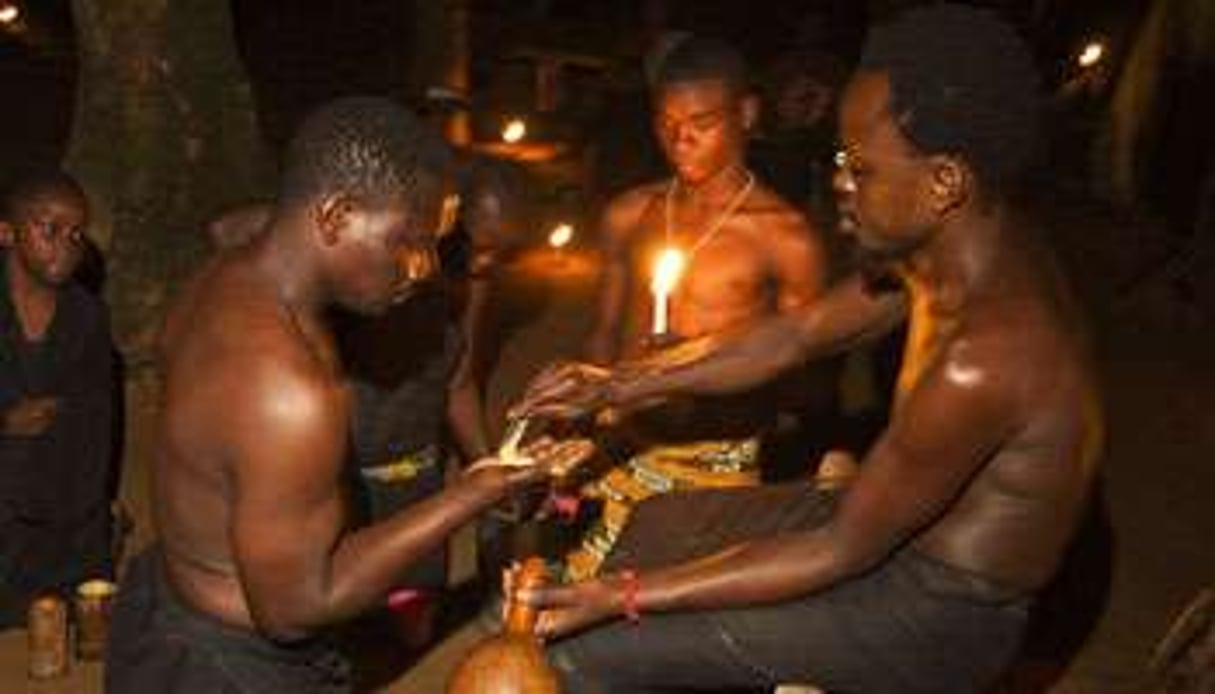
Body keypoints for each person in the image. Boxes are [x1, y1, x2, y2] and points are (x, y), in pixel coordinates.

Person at [513, 6, 1105, 692]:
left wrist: (623, 597)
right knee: (654, 522)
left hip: (932, 610)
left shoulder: (991, 349)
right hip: (888, 529)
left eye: (861, 166)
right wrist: (616, 386)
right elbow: (792, 336)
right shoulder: (953, 245)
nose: (839, 182)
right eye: (837, 157)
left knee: (586, 653)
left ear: (943, 182)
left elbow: (840, 547)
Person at [104, 97, 590, 693]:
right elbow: (294, 607)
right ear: (334, 216)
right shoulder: (287, 391)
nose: (422, 268)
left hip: (168, 612)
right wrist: (472, 493)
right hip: (230, 668)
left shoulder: (226, 273)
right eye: (409, 241)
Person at [563, 35, 830, 581]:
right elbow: (602, 336)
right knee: (573, 602)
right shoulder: (629, 214)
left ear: (747, 115)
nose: (680, 139)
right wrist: (579, 431)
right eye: (665, 122)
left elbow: (809, 378)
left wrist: (704, 364)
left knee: (675, 619)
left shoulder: (785, 238)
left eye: (702, 122)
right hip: (626, 440)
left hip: (718, 459)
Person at [0, 171, 117, 627]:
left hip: (64, 516)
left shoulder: (87, 317)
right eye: (48, 229)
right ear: (6, 232)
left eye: (76, 234)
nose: (65, 244)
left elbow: (98, 428)